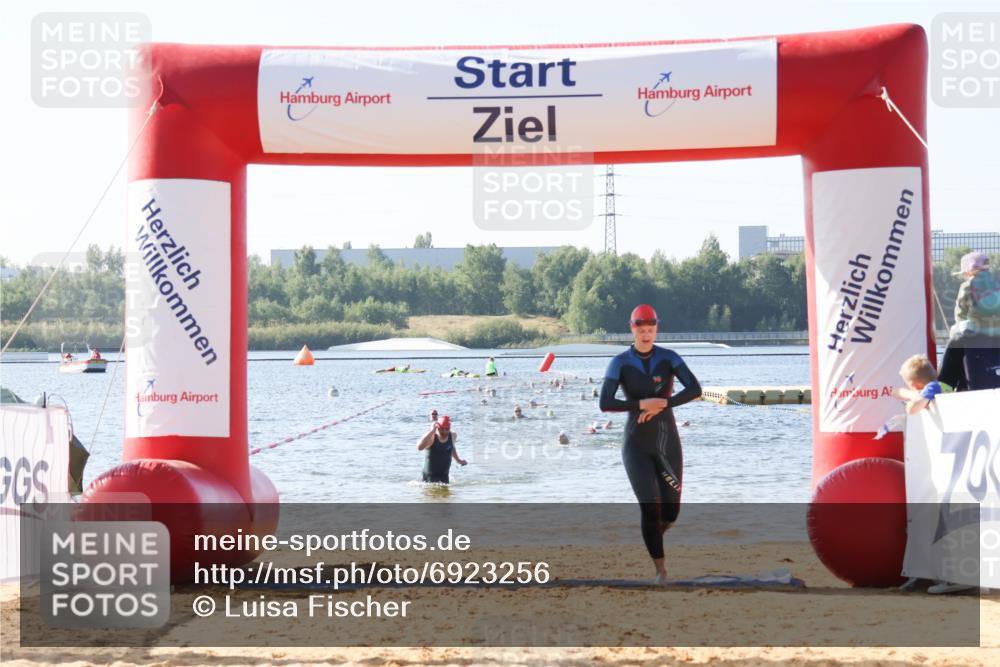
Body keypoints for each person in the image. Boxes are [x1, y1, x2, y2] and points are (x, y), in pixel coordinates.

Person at [599, 304, 702, 585]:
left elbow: (695, 389)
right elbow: (605, 403)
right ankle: (661, 570)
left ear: (657, 329)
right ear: (632, 329)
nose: (646, 335)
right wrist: (642, 403)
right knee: (649, 507)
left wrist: (663, 404)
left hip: (667, 442)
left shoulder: (669, 358)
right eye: (641, 330)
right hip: (636, 445)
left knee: (671, 512)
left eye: (651, 330)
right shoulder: (619, 363)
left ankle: (654, 534)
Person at [939, 252, 1000, 391]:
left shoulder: (968, 285)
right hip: (997, 330)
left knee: (958, 332)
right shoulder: (996, 282)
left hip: (976, 329)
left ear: (968, 271)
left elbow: (960, 311)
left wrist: (958, 331)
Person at [417, 415, 467, 484]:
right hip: (429, 479)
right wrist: (432, 431)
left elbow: (452, 447)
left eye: (447, 429)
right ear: (438, 427)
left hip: (444, 477)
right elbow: (419, 447)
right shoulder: (431, 437)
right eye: (442, 429)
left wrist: (458, 460)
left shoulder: (453, 435)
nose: (444, 431)